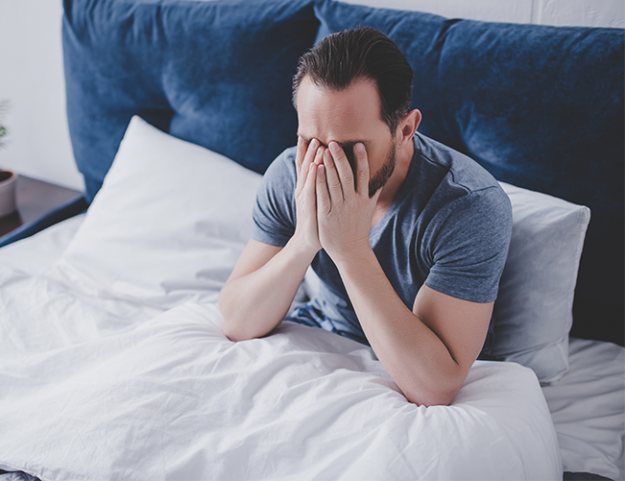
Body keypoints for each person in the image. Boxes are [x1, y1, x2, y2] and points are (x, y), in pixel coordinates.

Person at [218, 26, 512, 407]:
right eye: (311, 141)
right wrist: (305, 240)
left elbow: (435, 386)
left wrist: (351, 250)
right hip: (322, 344)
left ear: (405, 129)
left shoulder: (468, 207)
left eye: (349, 147)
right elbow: (236, 321)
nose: (325, 162)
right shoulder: (293, 172)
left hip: (409, 371)